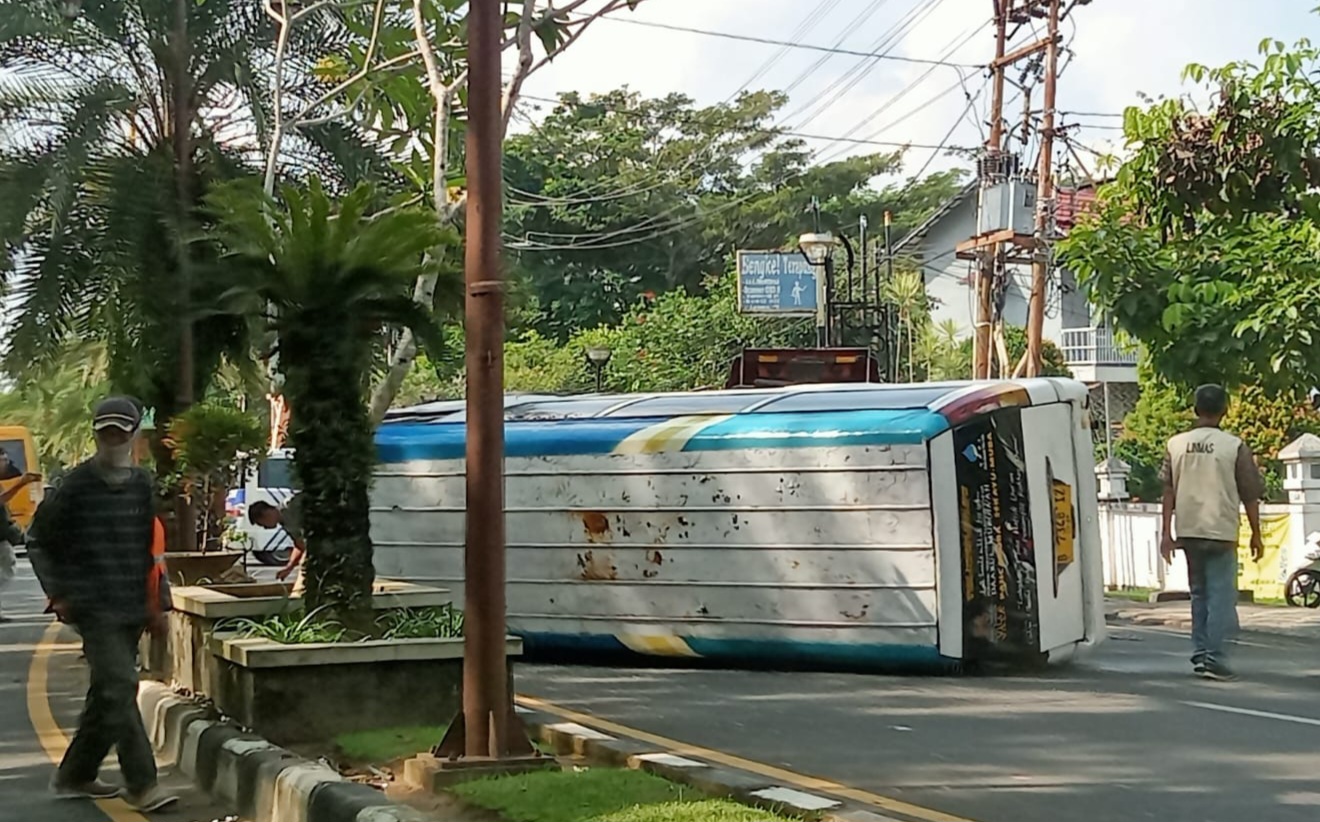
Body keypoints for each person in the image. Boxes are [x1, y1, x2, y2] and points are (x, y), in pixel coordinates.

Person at [27, 396, 178, 811]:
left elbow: (154, 549)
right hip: (92, 605)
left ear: (132, 436)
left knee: (107, 694)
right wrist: (59, 593)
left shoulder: (142, 485)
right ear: (96, 434)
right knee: (121, 686)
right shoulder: (74, 486)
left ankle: (75, 774)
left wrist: (157, 605)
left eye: (120, 431)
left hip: (131, 602)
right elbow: (37, 539)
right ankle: (143, 784)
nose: (112, 438)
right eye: (105, 431)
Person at [1159, 384, 1266, 682]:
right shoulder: (1234, 446)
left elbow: (1167, 491)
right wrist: (1257, 534)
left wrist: (1166, 534)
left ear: (1195, 409)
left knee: (1200, 595)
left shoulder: (1175, 444)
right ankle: (1216, 658)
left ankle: (1201, 653)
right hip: (1220, 530)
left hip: (1189, 530)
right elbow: (1250, 494)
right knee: (1221, 596)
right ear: (1225, 410)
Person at [248, 494, 306, 592]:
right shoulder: (285, 523)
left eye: (262, 524)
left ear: (266, 513)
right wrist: (288, 568)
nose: (265, 528)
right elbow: (299, 544)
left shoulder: (291, 505)